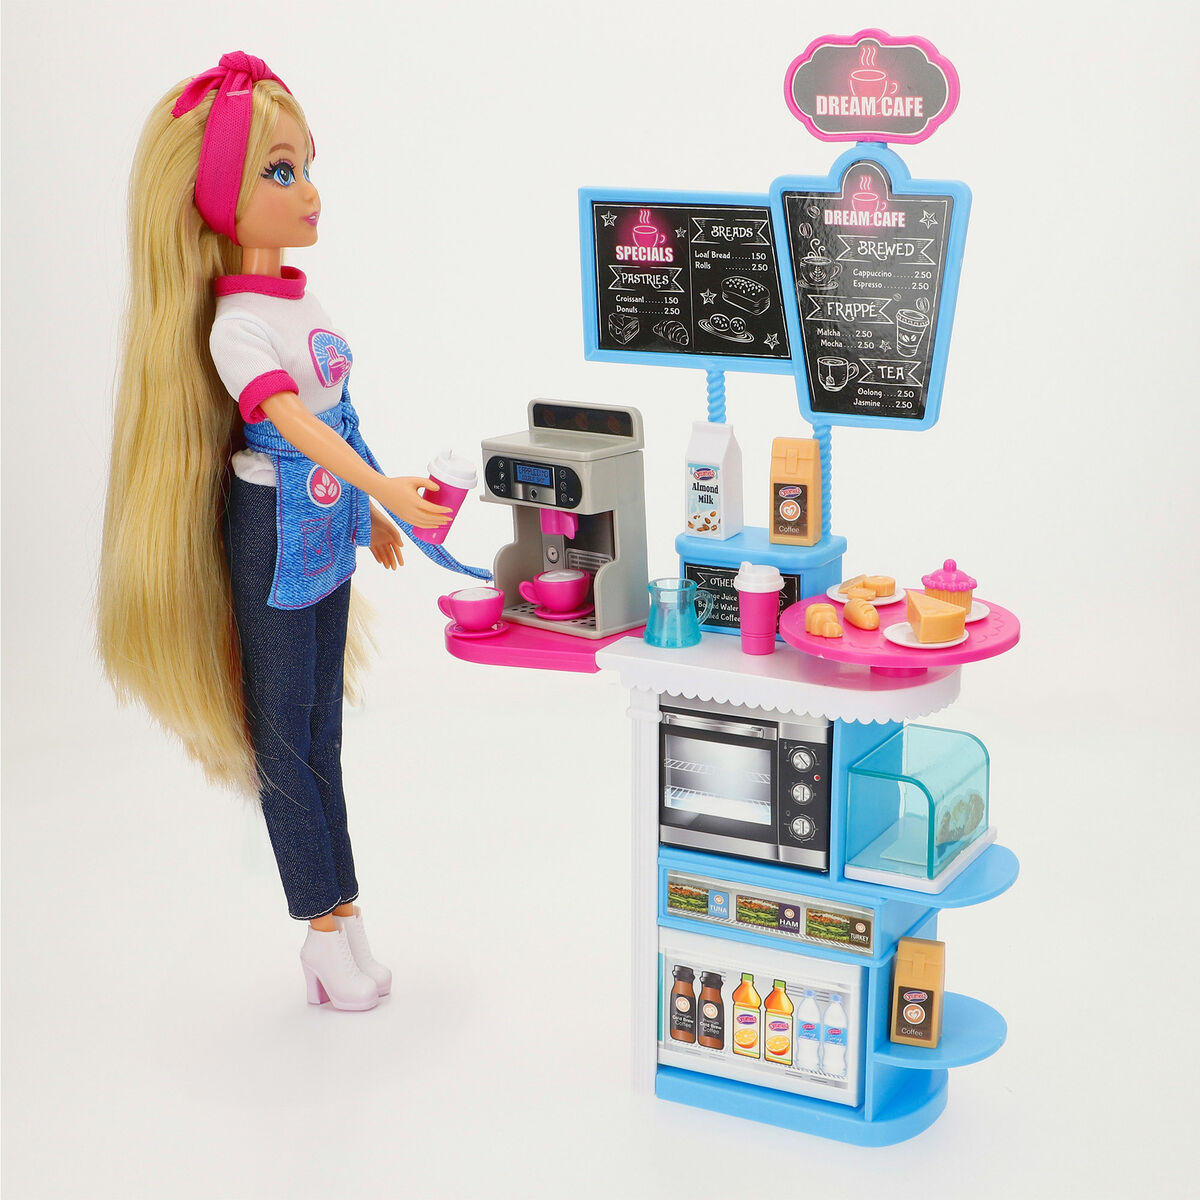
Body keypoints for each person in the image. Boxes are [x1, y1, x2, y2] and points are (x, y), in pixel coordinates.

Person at [98, 52, 455, 1011]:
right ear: (221, 199)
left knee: (322, 731)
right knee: (284, 740)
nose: (309, 193)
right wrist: (380, 486)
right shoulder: (235, 328)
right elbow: (293, 424)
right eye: (280, 171)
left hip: (329, 528)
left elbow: (338, 415)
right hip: (274, 530)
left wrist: (374, 513)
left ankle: (345, 913)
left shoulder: (300, 302)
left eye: (306, 167)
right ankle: (321, 930)